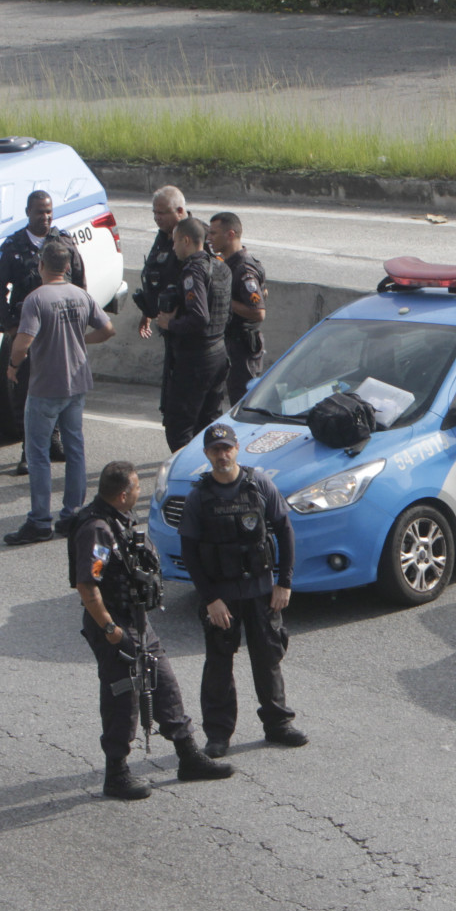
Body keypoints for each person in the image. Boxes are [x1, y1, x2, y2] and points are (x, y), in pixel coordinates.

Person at [73, 459, 233, 798]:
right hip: (115, 624)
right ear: (121, 494)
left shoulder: (119, 519)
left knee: (164, 683)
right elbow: (89, 586)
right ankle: (116, 772)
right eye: (135, 487)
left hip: (137, 621)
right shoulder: (97, 529)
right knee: (123, 696)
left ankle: (188, 756)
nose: (139, 492)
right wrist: (111, 629)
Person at [178, 423, 305, 757]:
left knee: (268, 659)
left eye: (227, 448)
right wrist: (211, 600)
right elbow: (189, 552)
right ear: (207, 454)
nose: (222, 455)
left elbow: (285, 530)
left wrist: (285, 582)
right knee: (219, 665)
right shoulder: (199, 497)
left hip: (262, 590)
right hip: (223, 597)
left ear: (237, 449)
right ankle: (218, 735)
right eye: (215, 450)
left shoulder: (259, 484)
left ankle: (278, 724)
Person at [3, 240, 115, 546]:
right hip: (77, 382)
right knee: (75, 448)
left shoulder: (36, 299)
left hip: (45, 386)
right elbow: (108, 329)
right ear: (67, 267)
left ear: (41, 265)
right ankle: (72, 513)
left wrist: (13, 366)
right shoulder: (80, 295)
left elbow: (23, 340)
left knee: (37, 453)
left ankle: (40, 520)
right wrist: (81, 339)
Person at [0, 190, 85, 476]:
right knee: (28, 393)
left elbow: (79, 283)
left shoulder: (63, 243)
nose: (45, 217)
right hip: (28, 333)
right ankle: (29, 450)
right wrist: (11, 326)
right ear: (28, 212)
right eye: (39, 212)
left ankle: (54, 440)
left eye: (49, 211)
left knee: (60, 388)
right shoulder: (13, 246)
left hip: (59, 334)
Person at [163, 216, 232, 451]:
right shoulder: (221, 266)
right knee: (209, 424)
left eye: (175, 242)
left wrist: (169, 324)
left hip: (196, 358)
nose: (173, 248)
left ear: (185, 240)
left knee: (178, 427)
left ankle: (186, 480)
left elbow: (200, 317)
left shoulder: (193, 270)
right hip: (219, 353)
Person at [135, 186, 189, 443]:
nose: (157, 218)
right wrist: (148, 311)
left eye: (163, 213)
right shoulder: (164, 236)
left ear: (180, 211)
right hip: (169, 331)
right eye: (154, 213)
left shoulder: (194, 236)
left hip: (189, 335)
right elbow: (155, 274)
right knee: (170, 406)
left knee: (182, 412)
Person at [208, 212, 267, 404]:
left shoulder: (243, 269)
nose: (209, 239)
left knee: (243, 403)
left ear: (230, 234)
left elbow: (258, 312)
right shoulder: (227, 264)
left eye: (214, 234)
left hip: (243, 348)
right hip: (229, 345)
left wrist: (224, 300)